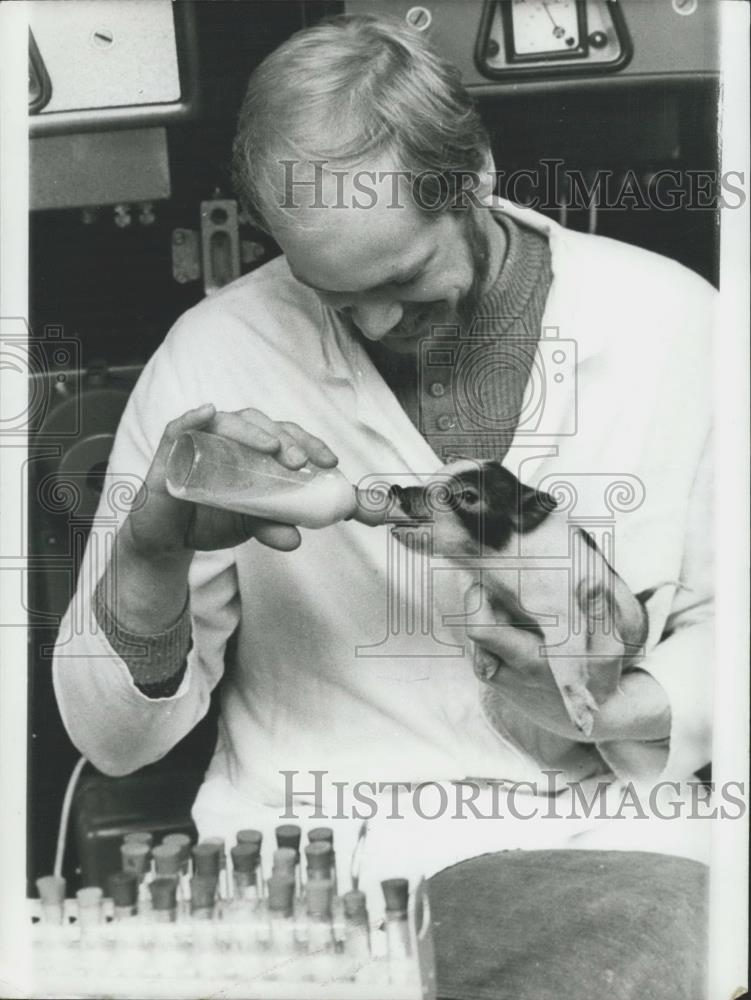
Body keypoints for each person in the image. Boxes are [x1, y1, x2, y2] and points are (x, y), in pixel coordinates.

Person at [53, 14, 714, 886]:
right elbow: (113, 742)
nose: (374, 324)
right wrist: (148, 555)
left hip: (611, 854)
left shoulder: (674, 324)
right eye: (331, 294)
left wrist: (624, 707)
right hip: (314, 865)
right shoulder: (214, 357)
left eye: (401, 279)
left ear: (471, 176)